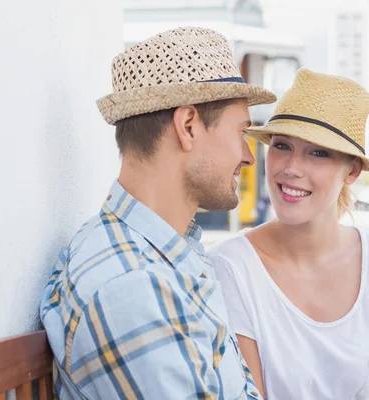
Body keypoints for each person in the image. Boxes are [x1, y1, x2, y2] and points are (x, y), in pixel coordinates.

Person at [40, 26, 276, 399]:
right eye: (240, 132)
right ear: (187, 126)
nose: (248, 156)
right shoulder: (128, 287)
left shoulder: (164, 255)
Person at [209, 69, 369, 400]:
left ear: (352, 170)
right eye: (282, 146)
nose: (291, 168)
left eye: (318, 153)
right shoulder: (230, 268)